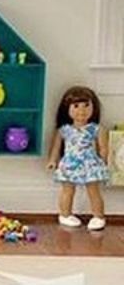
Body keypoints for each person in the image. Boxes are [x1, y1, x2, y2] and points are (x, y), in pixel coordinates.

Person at [46, 85, 109, 231]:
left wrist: (104, 160)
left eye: (86, 105)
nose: (82, 110)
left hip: (90, 164)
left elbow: (103, 147)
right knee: (67, 190)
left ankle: (98, 216)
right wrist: (52, 160)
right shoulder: (64, 130)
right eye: (76, 106)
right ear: (67, 109)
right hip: (69, 164)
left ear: (94, 107)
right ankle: (65, 214)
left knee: (93, 190)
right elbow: (55, 148)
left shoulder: (96, 129)